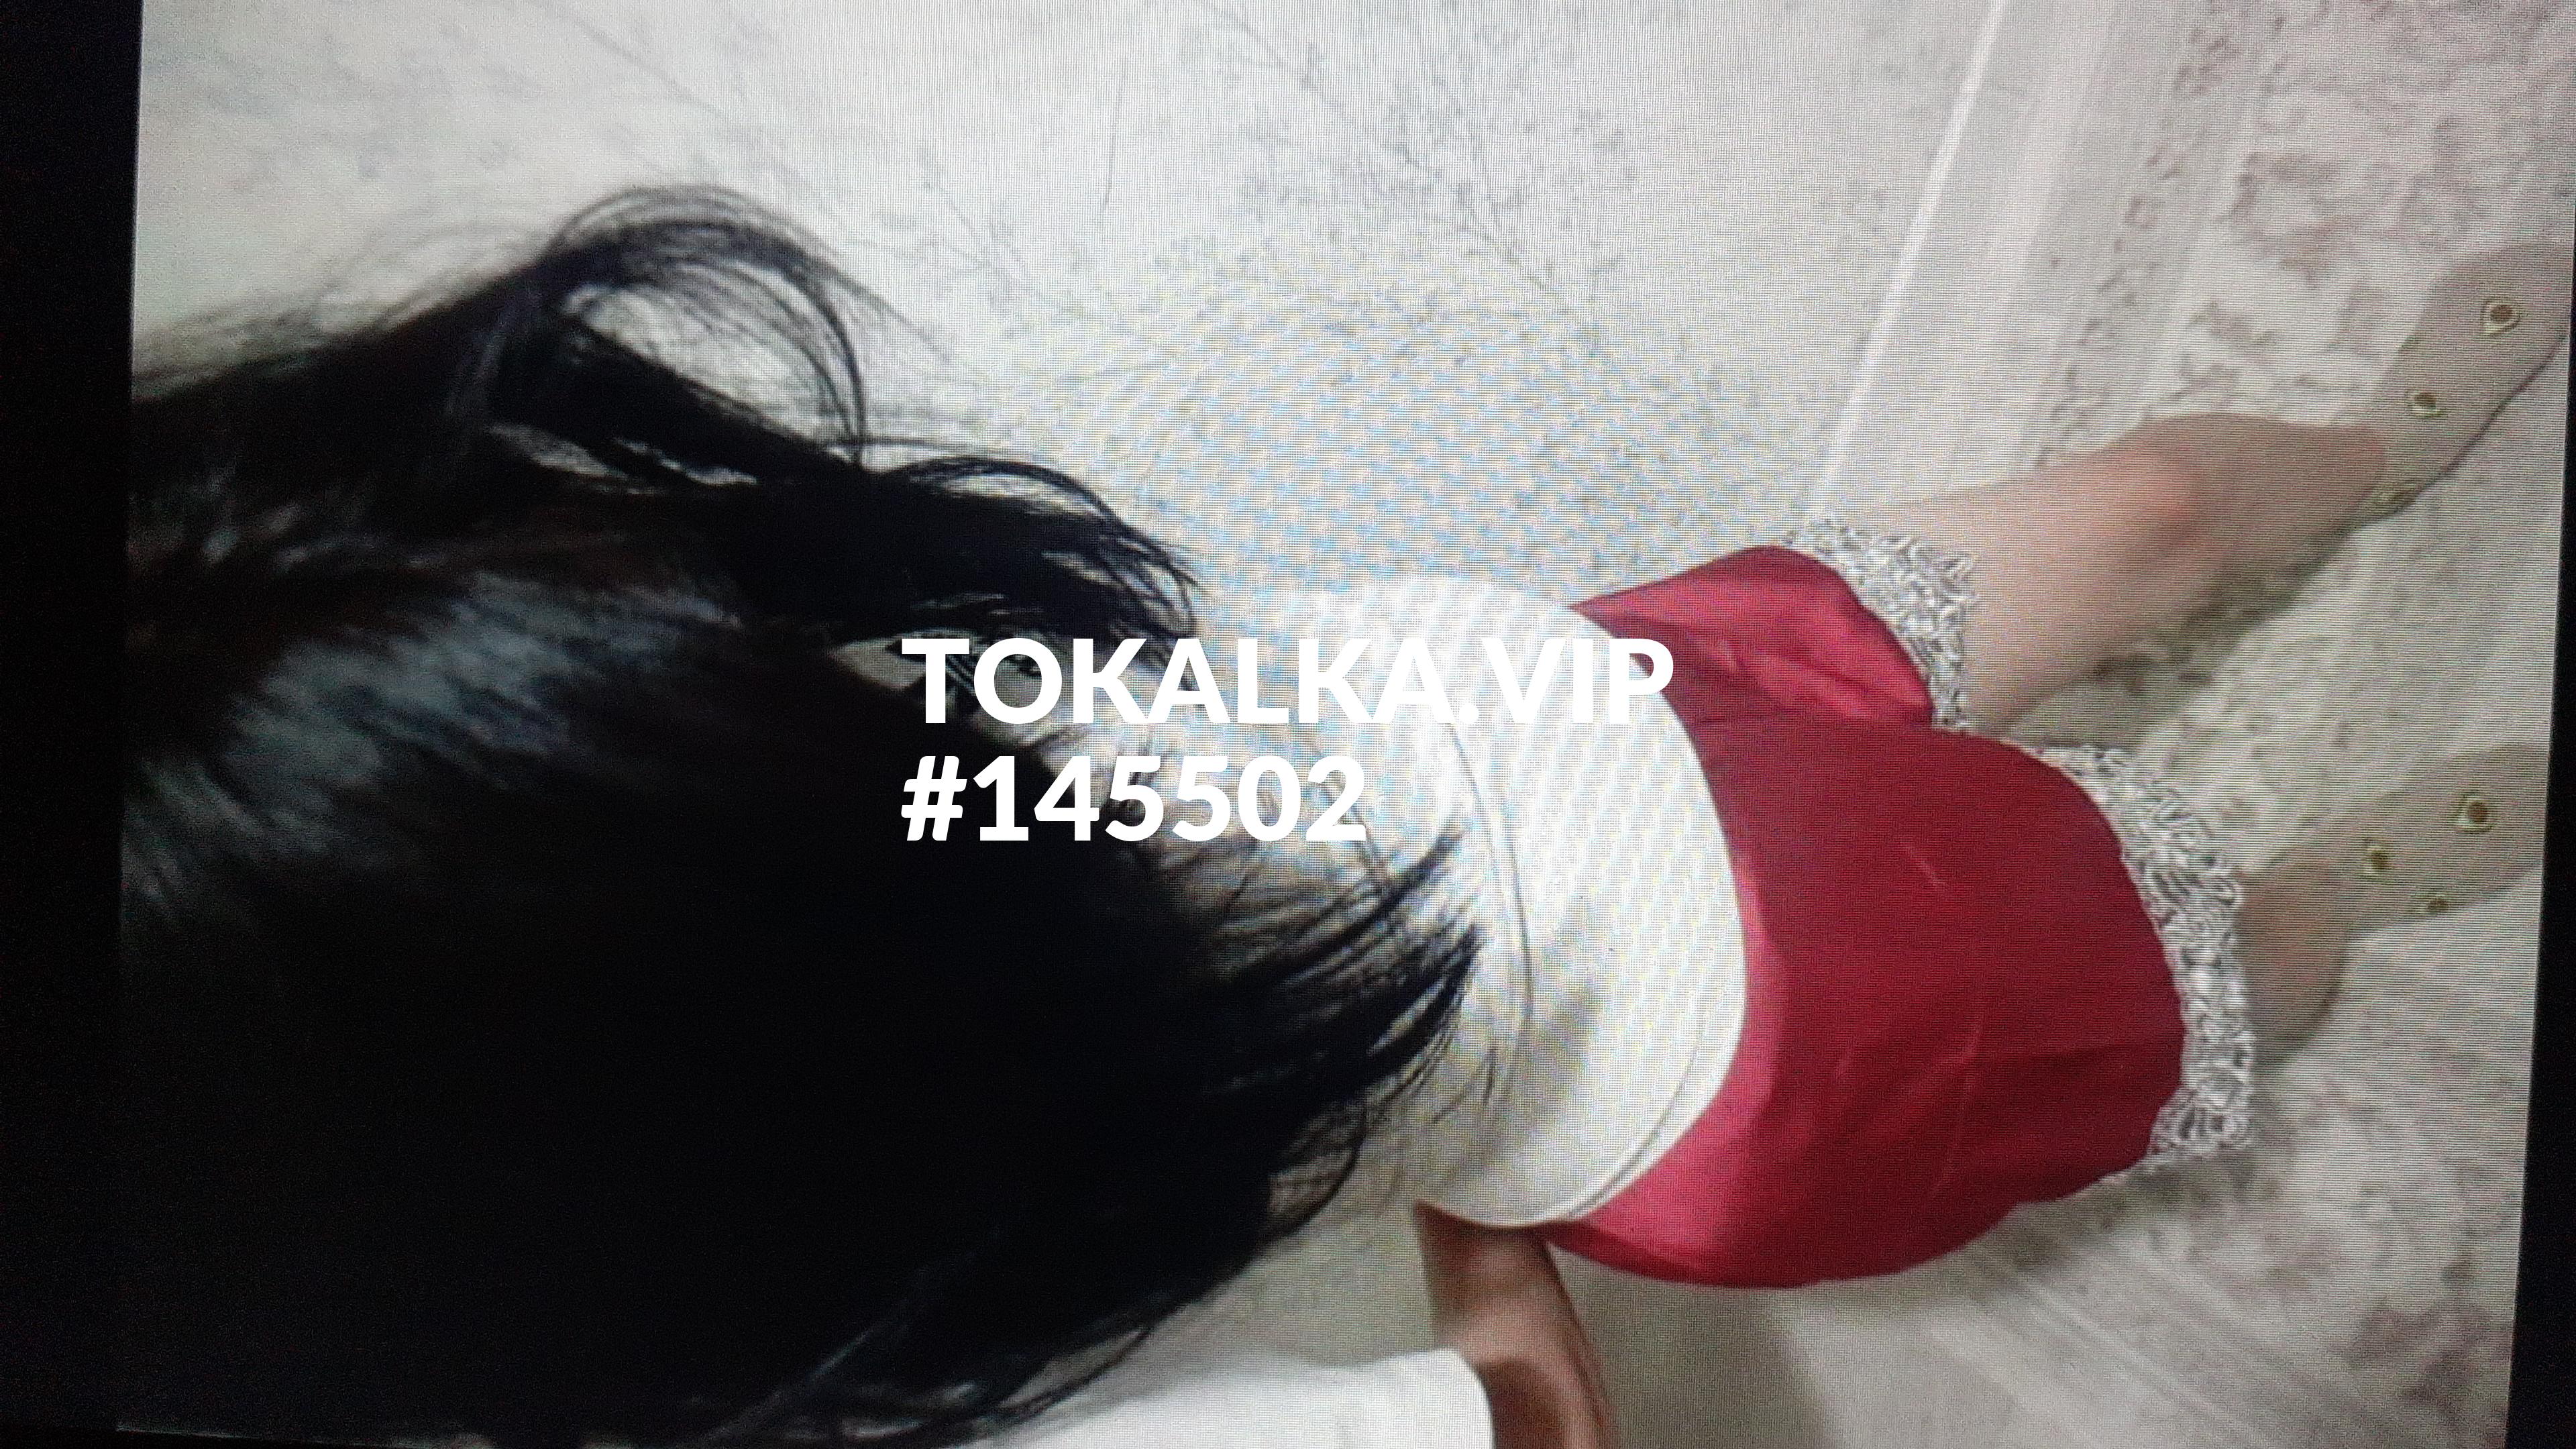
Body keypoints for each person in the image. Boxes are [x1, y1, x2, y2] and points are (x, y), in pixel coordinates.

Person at [119, 189, 2565, 1449]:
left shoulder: (429, 682)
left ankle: (2361, 454)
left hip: (1565, 685)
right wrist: (1467, 1165)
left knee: (2149, 515)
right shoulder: (835, 1338)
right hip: (1730, 1049)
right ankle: (2320, 903)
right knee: (2180, 969)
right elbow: (1530, 1433)